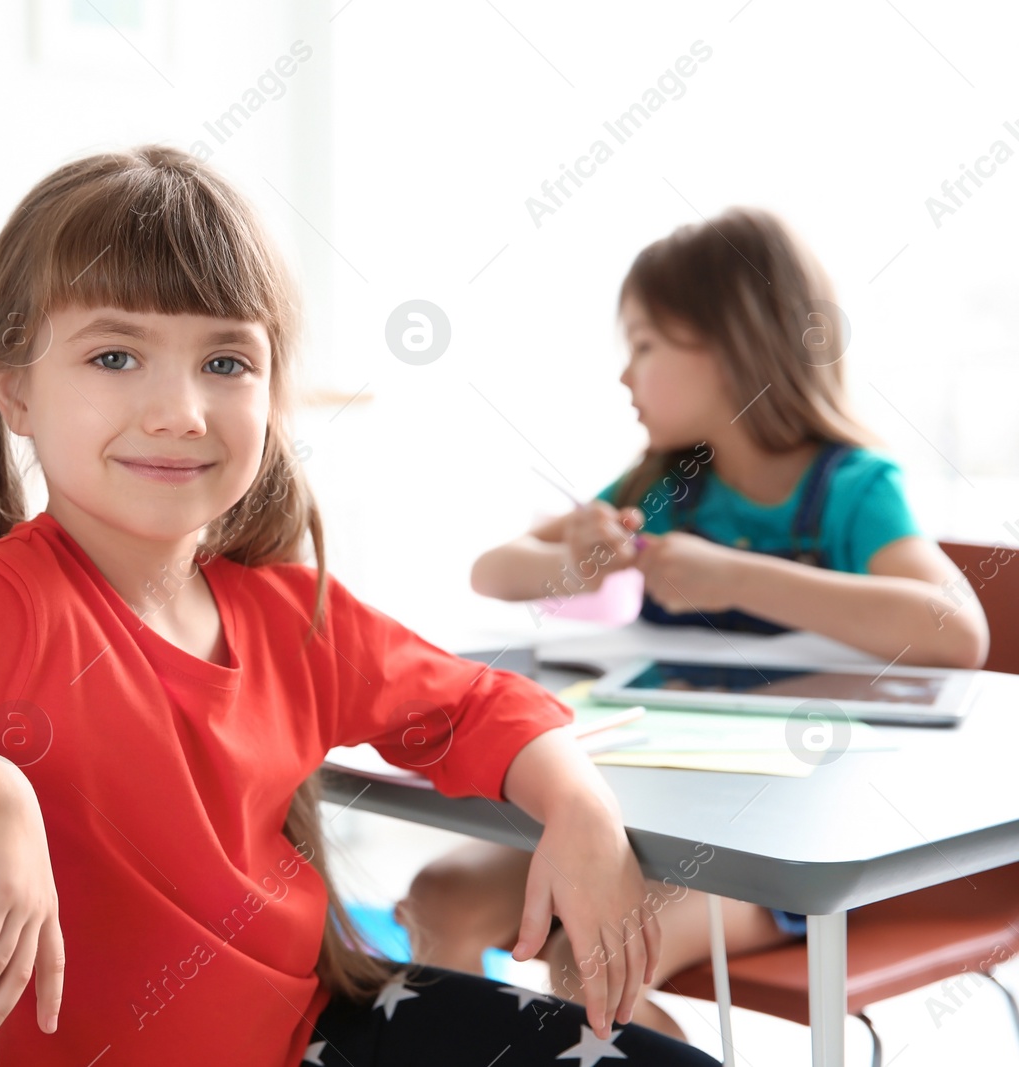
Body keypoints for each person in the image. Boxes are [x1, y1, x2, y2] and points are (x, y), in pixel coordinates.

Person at [0, 146, 717, 1066]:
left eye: (225, 361)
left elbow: (479, 703)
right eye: (114, 353)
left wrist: (576, 801)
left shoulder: (290, 611)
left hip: (312, 1031)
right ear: (16, 393)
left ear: (273, 395)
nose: (179, 410)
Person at [399, 207, 988, 1039]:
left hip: (776, 843)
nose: (624, 376)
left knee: (593, 962)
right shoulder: (667, 483)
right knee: (439, 898)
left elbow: (956, 628)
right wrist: (577, 556)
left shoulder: (852, 489)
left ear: (733, 347)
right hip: (622, 811)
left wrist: (735, 576)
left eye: (644, 345)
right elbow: (493, 571)